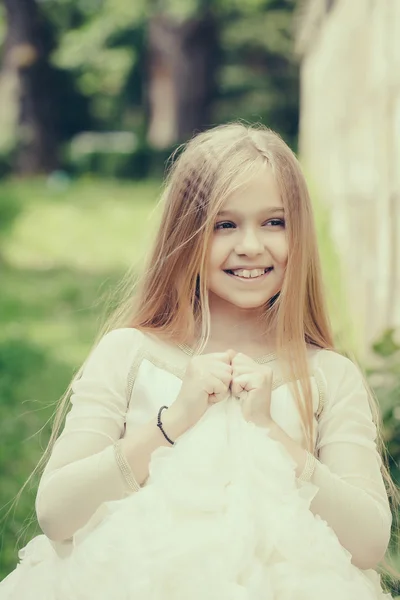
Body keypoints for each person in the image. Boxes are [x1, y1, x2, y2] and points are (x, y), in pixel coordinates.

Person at [0, 122, 397, 599]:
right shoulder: (130, 354)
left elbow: (370, 542)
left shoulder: (329, 376)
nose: (251, 245)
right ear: (186, 234)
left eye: (275, 222)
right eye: (224, 224)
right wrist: (172, 423)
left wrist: (274, 436)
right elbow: (57, 513)